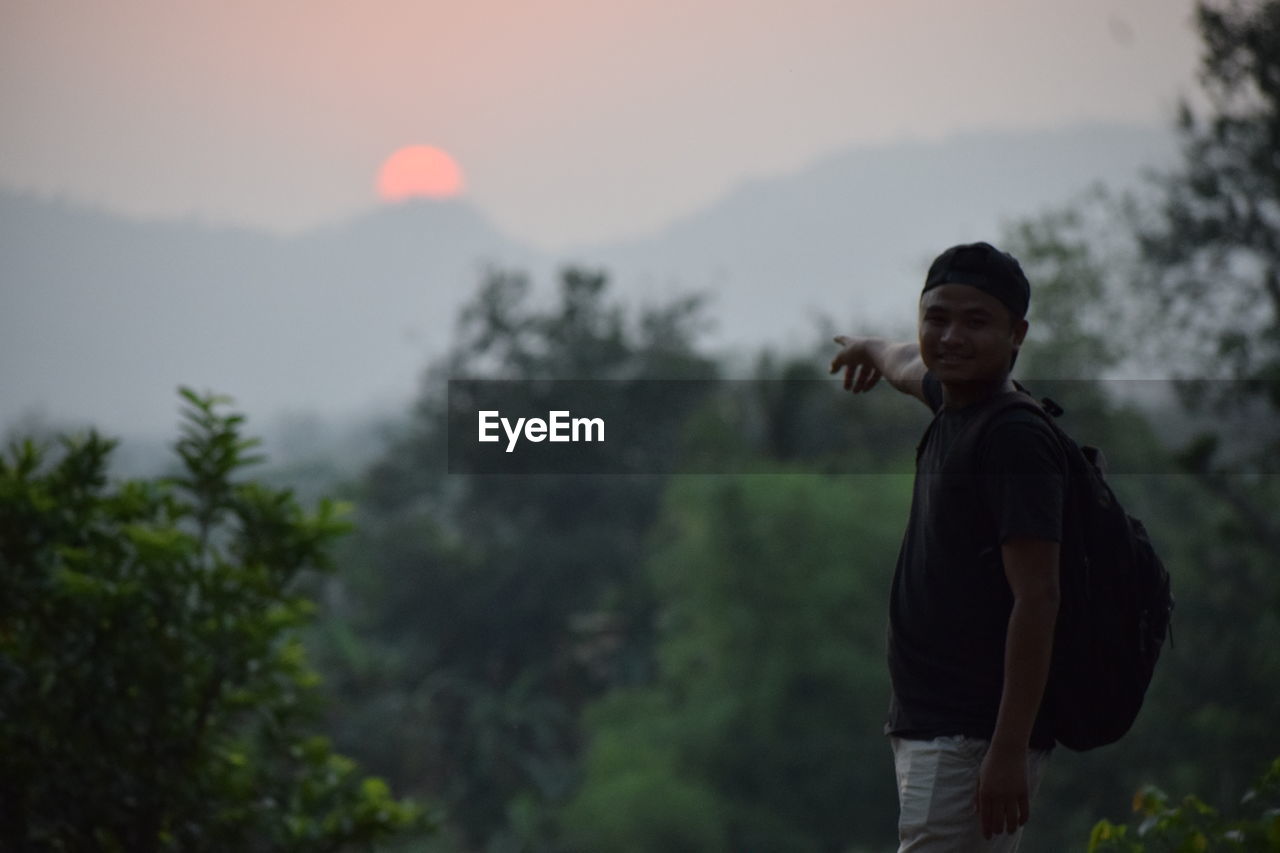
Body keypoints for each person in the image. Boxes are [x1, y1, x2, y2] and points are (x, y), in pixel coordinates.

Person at [829, 241, 1065, 852]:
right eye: (937, 318)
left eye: (975, 321)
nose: (951, 337)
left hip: (971, 736)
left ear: (1017, 333)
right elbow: (907, 361)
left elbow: (1038, 598)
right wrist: (868, 350)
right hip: (936, 725)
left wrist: (1007, 750)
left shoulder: (1013, 438)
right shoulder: (959, 404)